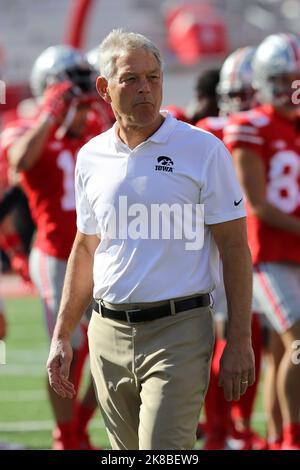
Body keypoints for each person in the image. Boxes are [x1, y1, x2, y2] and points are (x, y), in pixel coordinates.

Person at [47, 29, 255, 451]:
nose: (146, 88)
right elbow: (86, 247)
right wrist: (62, 334)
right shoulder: (90, 157)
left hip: (180, 328)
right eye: (131, 79)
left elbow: (235, 248)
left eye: (154, 77)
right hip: (107, 332)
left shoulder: (203, 150)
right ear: (104, 88)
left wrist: (240, 339)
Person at [7, 45, 105, 450]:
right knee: (68, 349)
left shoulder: (99, 129)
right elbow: (19, 163)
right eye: (72, 92)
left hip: (101, 255)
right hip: (54, 257)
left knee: (114, 352)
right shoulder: (26, 130)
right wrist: (50, 114)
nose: (81, 103)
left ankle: (76, 428)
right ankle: (68, 437)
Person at [224, 32, 300, 450]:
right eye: (288, 79)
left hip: (296, 250)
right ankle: (292, 438)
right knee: (299, 345)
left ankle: (276, 436)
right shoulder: (250, 126)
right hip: (269, 254)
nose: (295, 89)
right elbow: (259, 205)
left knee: (281, 352)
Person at [196, 47, 265, 451]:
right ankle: (226, 427)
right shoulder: (219, 129)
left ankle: (232, 426)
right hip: (225, 247)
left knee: (245, 340)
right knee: (232, 339)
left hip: (243, 245)